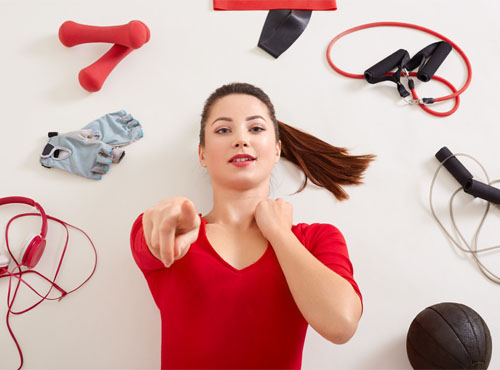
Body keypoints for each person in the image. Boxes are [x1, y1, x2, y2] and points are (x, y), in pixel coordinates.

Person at [130, 82, 375, 369]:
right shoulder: (173, 230)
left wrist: (279, 234)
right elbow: (150, 237)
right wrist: (163, 220)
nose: (240, 140)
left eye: (256, 129)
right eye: (223, 130)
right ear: (202, 154)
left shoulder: (317, 239)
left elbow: (342, 324)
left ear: (276, 151)